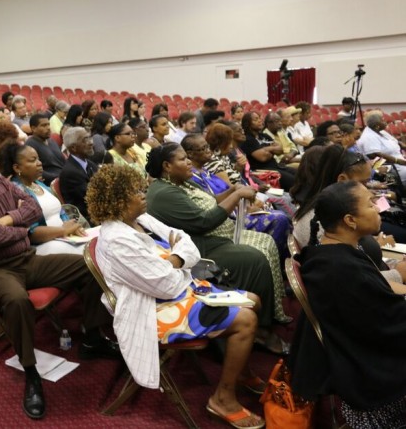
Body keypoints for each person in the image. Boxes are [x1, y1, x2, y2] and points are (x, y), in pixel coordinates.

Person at [0, 133, 119, 420]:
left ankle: (92, 338)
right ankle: (31, 371)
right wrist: (22, 229)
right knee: (16, 301)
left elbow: (33, 207)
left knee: (91, 266)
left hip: (26, 259)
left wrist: (10, 220)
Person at [86, 164, 265, 429]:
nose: (144, 192)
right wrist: (182, 261)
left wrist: (175, 260)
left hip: (178, 291)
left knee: (254, 299)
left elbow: (184, 239)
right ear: (120, 201)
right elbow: (167, 286)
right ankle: (222, 399)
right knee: (246, 319)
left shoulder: (141, 220)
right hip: (152, 310)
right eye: (136, 191)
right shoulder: (116, 241)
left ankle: (239, 372)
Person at [145, 143, 291, 346]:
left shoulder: (183, 182)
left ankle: (268, 312)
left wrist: (232, 188)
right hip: (197, 249)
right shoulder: (163, 193)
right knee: (254, 259)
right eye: (182, 159)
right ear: (167, 166)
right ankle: (260, 329)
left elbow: (213, 201)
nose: (188, 162)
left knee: (265, 242)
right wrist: (237, 195)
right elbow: (204, 222)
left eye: (188, 157)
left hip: (210, 239)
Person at [288, 181, 406, 427]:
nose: (378, 208)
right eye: (370, 204)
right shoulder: (342, 271)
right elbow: (390, 326)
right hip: (366, 366)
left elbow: (381, 302)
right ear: (350, 220)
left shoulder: (331, 253)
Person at [183, 134, 291, 260]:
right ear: (190, 154)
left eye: (208, 147)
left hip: (237, 209)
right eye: (203, 148)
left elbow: (226, 191)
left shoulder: (205, 170)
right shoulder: (193, 177)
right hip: (227, 220)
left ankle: (283, 260)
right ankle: (279, 262)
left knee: (281, 211)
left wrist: (236, 189)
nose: (209, 151)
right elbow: (212, 203)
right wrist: (242, 207)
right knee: (279, 218)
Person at [0, 143, 86, 255]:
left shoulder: (39, 184)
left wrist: (72, 228)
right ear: (17, 167)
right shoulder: (15, 192)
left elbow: (61, 212)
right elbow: (31, 233)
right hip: (42, 246)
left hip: (62, 237)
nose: (40, 163)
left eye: (39, 159)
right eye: (33, 160)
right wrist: (63, 231)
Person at [240, 112, 295, 191]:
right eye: (256, 119)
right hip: (262, 171)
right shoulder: (247, 139)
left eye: (259, 118)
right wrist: (272, 149)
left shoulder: (264, 136)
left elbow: (280, 149)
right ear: (248, 124)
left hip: (276, 166)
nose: (260, 121)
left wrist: (265, 149)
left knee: (300, 174)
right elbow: (262, 157)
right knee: (292, 181)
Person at [59, 127, 99, 222]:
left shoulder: (90, 164)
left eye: (90, 138)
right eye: (85, 140)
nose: (91, 142)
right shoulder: (70, 172)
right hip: (87, 219)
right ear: (73, 147)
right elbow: (93, 197)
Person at [357, 111, 406, 184]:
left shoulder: (381, 132)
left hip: (401, 163)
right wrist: (397, 161)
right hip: (390, 169)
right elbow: (375, 155)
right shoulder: (368, 137)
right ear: (377, 125)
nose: (385, 121)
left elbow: (395, 142)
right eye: (382, 120)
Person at [25, 113, 65, 185]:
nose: (48, 128)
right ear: (33, 128)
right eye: (44, 125)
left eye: (48, 124)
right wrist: (59, 177)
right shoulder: (30, 145)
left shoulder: (51, 141)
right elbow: (36, 170)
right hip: (51, 183)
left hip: (64, 178)